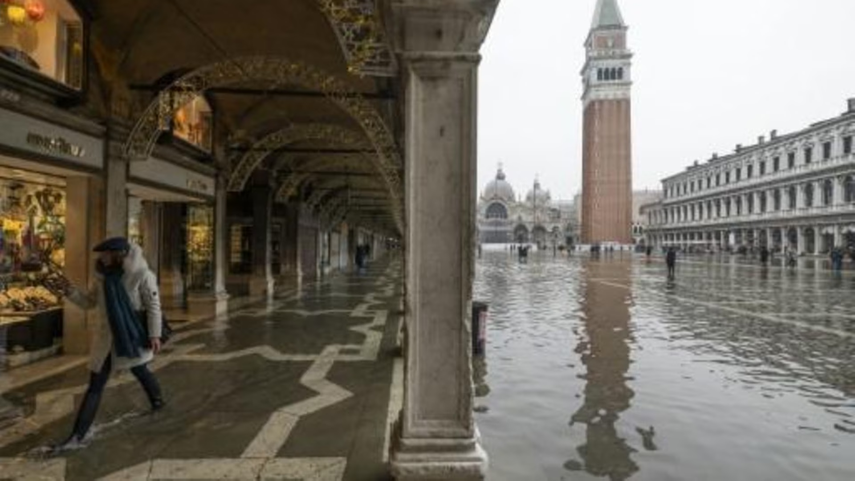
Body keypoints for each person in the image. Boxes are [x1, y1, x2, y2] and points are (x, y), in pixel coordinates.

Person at [55, 238, 164, 450]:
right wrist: (69, 291)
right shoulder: (102, 278)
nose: (101, 258)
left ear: (119, 254)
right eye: (101, 254)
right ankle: (77, 435)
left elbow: (153, 306)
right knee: (95, 385)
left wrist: (155, 335)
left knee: (140, 369)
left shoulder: (142, 275)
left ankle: (158, 400)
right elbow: (89, 303)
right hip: (106, 340)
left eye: (105, 254)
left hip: (131, 335)